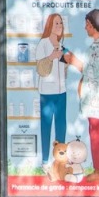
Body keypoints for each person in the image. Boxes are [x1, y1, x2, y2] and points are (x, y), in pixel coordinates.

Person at [75, 9, 99, 182]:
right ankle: (97, 170)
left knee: (96, 134)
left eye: (87, 25)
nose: (85, 28)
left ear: (94, 26)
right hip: (95, 100)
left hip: (97, 100)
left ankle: (97, 172)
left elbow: (91, 71)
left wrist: (72, 61)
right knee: (94, 133)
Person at [34, 13, 73, 171]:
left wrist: (65, 60)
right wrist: (51, 57)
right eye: (56, 23)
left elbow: (64, 71)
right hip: (47, 93)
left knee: (61, 125)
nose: (59, 26)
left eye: (61, 23)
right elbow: (41, 69)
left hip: (61, 91)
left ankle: (60, 160)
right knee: (46, 125)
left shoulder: (62, 45)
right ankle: (45, 161)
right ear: (49, 25)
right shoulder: (43, 44)